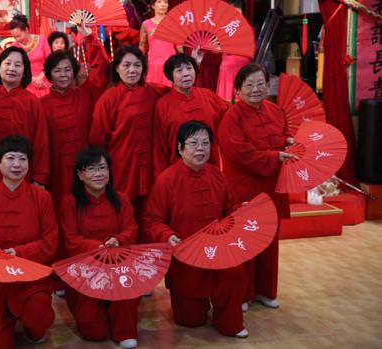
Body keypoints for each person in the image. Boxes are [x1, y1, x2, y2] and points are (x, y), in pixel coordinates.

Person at [145, 120, 248, 338]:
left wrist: (241, 212)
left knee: (233, 274)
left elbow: (231, 206)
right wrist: (168, 235)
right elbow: (153, 219)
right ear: (180, 148)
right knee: (190, 321)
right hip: (186, 258)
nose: (200, 149)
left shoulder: (216, 174)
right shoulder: (166, 180)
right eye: (193, 143)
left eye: (205, 143)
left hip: (219, 252)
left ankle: (229, 320)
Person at [0, 135, 58, 349]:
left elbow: (50, 242)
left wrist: (19, 253)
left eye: (23, 159)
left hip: (30, 280)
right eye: (10, 158)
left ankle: (34, 328)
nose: (17, 164)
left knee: (38, 316)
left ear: (29, 163)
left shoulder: (42, 198)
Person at [218, 63, 295, 311]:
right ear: (238, 89)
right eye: (248, 85)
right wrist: (274, 157)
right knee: (245, 241)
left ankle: (265, 290)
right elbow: (240, 153)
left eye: (260, 84)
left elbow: (280, 136)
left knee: (270, 241)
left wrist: (289, 141)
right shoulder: (232, 117)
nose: (255, 89)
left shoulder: (275, 111)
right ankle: (243, 293)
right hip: (245, 189)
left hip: (273, 187)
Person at [59, 147, 140, 349]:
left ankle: (124, 328)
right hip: (86, 268)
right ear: (79, 174)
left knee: (125, 289)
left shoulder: (121, 199)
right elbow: (70, 240)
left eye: (103, 168)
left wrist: (118, 240)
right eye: (92, 169)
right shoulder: (70, 203)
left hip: (117, 264)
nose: (98, 174)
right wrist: (98, 247)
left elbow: (131, 229)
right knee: (95, 333)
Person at [90, 45, 168, 242]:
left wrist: (196, 64)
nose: (132, 70)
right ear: (116, 68)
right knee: (124, 217)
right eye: (126, 65)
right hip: (123, 167)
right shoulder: (108, 99)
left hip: (151, 167)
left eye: (137, 65)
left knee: (152, 214)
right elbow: (98, 139)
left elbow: (179, 92)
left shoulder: (154, 92)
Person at [41, 23, 109, 210]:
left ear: (74, 72)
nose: (63, 75)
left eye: (67, 70)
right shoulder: (41, 105)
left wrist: (90, 38)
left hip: (87, 168)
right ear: (48, 75)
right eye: (57, 71)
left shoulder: (85, 93)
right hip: (57, 172)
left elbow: (101, 69)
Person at [0, 46, 49, 187]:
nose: (12, 68)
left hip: (22, 175)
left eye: (18, 65)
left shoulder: (32, 102)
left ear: (25, 71)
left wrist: (40, 178)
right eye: (7, 63)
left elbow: (41, 141)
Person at [153, 53, 228, 174]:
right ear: (170, 77)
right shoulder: (163, 105)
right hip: (178, 173)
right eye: (179, 70)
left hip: (211, 168)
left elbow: (228, 124)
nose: (186, 73)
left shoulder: (208, 96)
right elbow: (159, 147)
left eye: (189, 68)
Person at [215, 0, 251, 101]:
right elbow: (216, 50)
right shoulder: (222, 29)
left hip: (242, 68)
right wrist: (214, 47)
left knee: (242, 101)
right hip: (227, 68)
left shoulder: (248, 29)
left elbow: (250, 50)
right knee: (225, 102)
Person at [9, 14, 52, 97]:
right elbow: (15, 68)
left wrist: (41, 77)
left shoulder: (42, 40)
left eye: (18, 36)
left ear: (26, 29)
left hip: (44, 80)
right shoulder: (14, 47)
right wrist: (31, 79)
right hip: (26, 83)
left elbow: (50, 61)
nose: (17, 39)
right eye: (14, 37)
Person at [138, 0, 174, 87]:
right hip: (153, 65)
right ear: (153, 5)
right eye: (159, 2)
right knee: (152, 92)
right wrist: (139, 64)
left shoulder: (173, 23)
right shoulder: (146, 24)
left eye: (165, 2)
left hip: (170, 64)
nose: (163, 5)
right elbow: (142, 46)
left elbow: (179, 46)